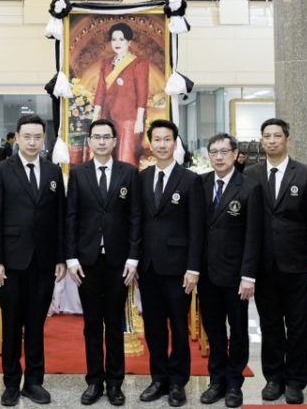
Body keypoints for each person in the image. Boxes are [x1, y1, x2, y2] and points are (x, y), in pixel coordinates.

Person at [0, 114, 66, 406]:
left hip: (44, 262)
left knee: (35, 324)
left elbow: (59, 217)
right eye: (27, 136)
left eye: (37, 137)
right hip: (9, 263)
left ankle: (34, 381)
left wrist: (60, 257)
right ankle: (10, 383)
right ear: (17, 138)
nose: (32, 142)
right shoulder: (1, 170)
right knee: (11, 325)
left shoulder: (53, 171)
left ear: (44, 139)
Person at [248, 118, 307, 405]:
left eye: (277, 136)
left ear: (287, 139)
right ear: (261, 141)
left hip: (299, 266)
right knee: (269, 325)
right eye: (267, 136)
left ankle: (295, 381)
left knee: (299, 326)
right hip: (264, 266)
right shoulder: (251, 174)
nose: (271, 140)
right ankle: (273, 378)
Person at [65, 118, 141, 406]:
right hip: (86, 261)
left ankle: (115, 383)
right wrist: (71, 257)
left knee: (115, 322)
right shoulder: (78, 173)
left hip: (119, 262)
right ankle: (94, 381)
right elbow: (71, 216)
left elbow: (135, 217)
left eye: (106, 137)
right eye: (96, 137)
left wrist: (133, 257)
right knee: (92, 323)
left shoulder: (128, 173)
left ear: (114, 141)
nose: (101, 141)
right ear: (89, 141)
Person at [136, 119, 202, 408]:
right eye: (157, 140)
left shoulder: (190, 179)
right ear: (150, 144)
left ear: (175, 143)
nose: (162, 145)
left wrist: (193, 267)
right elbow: (137, 222)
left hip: (178, 268)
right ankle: (158, 377)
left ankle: (177, 381)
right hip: (148, 267)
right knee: (153, 327)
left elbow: (197, 228)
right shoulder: (142, 178)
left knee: (178, 326)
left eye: (167, 140)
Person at [196, 133, 260, 409]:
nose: (219, 157)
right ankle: (216, 380)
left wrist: (248, 275)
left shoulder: (249, 187)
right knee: (213, 329)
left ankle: (234, 383)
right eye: (214, 152)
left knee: (238, 330)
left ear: (235, 154)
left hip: (236, 275)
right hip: (207, 273)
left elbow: (254, 235)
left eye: (224, 151)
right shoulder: (200, 184)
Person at [92, 23, 150, 166]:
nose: (117, 43)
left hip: (129, 119)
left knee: (126, 159)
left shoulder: (139, 63)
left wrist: (139, 120)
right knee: (107, 159)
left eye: (121, 39)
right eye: (114, 39)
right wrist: (95, 117)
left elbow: (142, 92)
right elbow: (100, 91)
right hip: (107, 117)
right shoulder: (106, 63)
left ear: (129, 42)